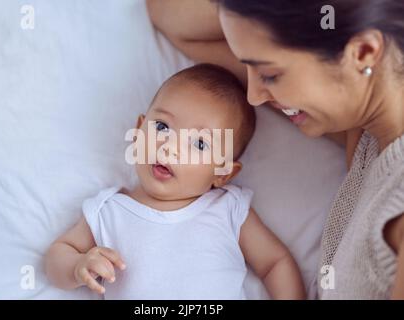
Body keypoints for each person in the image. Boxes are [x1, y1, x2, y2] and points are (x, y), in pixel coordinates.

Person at [147, 0, 404, 299]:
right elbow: (168, 14)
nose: (254, 97)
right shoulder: (366, 129)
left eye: (270, 75)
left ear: (362, 52)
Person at [44, 64, 306, 299]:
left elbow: (275, 263)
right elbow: (58, 255)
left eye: (200, 143)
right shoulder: (109, 210)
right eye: (161, 127)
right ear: (138, 132)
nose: (169, 147)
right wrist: (78, 266)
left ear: (222, 173)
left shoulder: (229, 209)